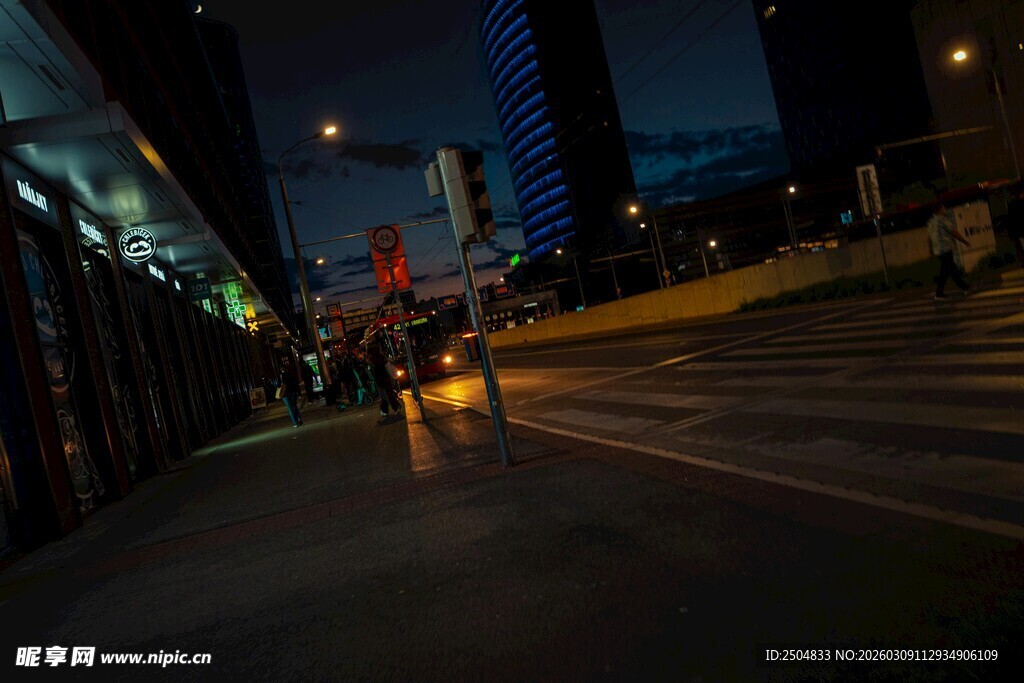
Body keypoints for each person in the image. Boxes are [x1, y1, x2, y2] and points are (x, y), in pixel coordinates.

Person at [927, 201, 971, 300]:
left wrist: (930, 252)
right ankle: (964, 287)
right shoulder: (942, 220)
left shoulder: (930, 222)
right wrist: (964, 241)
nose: (944, 209)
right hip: (945, 249)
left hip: (938, 251)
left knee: (945, 271)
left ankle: (939, 293)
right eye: (943, 208)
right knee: (952, 269)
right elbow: (953, 232)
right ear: (939, 210)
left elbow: (929, 238)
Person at [367, 346, 402, 418]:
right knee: (389, 394)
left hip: (378, 380)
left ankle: (385, 410)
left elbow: (370, 371)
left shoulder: (370, 360)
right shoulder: (382, 357)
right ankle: (395, 407)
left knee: (384, 396)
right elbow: (388, 366)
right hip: (386, 378)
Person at [1006, 184, 1024, 269]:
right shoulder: (1016, 204)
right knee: (1021, 246)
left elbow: (1010, 220)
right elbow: (1011, 220)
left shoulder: (1013, 204)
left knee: (1021, 247)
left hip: (1019, 231)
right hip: (1020, 231)